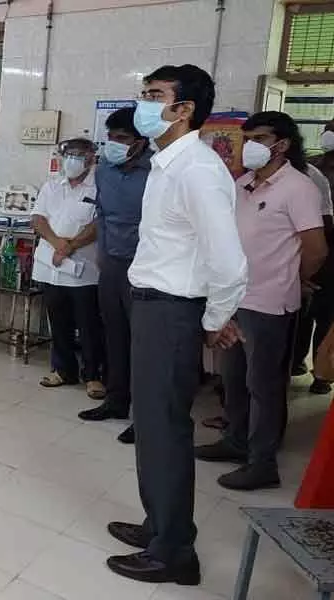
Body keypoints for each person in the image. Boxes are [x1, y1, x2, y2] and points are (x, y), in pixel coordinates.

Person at [105, 64, 247, 586]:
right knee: (152, 427)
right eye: (143, 92)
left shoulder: (198, 170)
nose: (144, 102)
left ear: (183, 109)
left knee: (164, 430)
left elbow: (229, 262)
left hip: (171, 310)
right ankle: (159, 525)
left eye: (155, 95)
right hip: (156, 305)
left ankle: (175, 554)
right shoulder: (167, 163)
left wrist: (213, 320)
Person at [194, 112, 327, 490]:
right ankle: (236, 441)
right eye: (247, 136)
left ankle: (262, 462)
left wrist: (296, 278)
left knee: (263, 385)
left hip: (269, 302)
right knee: (233, 379)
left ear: (281, 145)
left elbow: (315, 249)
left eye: (259, 138)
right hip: (233, 297)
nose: (250, 145)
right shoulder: (245, 183)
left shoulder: (299, 187)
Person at [77, 108, 151, 446]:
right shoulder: (104, 169)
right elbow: (102, 215)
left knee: (143, 344)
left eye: (121, 139)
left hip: (146, 267)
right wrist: (104, 256)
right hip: (112, 264)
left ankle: (144, 418)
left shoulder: (156, 172)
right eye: (110, 138)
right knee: (115, 335)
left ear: (140, 142)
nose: (113, 145)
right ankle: (116, 400)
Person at [32, 138, 106, 400]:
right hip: (51, 265)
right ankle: (63, 369)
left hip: (83, 269)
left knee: (89, 325)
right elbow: (38, 219)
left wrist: (70, 246)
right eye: (69, 154)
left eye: (79, 155)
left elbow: (98, 225)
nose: (72, 160)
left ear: (91, 158)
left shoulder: (99, 187)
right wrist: (57, 244)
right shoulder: (52, 186)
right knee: (58, 321)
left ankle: (93, 376)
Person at [294, 120, 334, 394]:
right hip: (306, 244)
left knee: (326, 314)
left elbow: (325, 218)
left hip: (328, 248)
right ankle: (296, 361)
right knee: (302, 311)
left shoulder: (315, 172)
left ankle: (322, 374)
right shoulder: (313, 166)